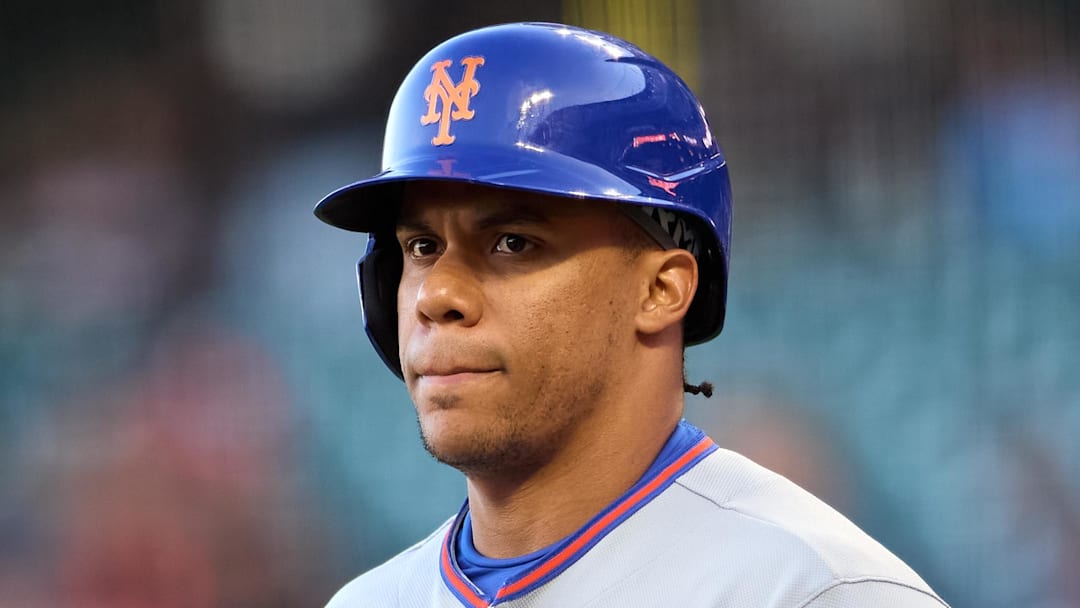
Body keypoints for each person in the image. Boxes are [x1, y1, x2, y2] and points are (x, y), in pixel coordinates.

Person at [313, 22, 949, 608]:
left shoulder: (812, 591)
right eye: (421, 248)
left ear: (663, 290)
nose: (435, 295)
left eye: (513, 242)